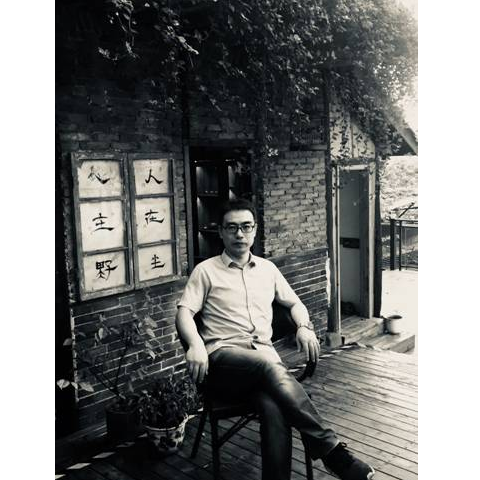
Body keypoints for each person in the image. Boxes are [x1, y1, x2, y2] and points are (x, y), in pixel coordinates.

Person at [176, 199, 375, 480]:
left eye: (246, 227)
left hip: (264, 372)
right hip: (224, 364)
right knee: (268, 364)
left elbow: (295, 303)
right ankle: (331, 451)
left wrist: (303, 326)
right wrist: (196, 344)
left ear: (255, 230)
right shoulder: (205, 271)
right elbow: (184, 312)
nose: (239, 234)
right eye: (231, 228)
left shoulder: (268, 269)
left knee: (273, 406)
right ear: (220, 232)